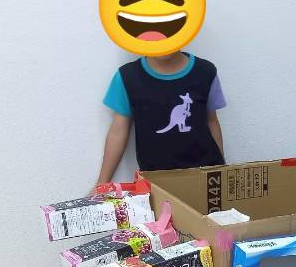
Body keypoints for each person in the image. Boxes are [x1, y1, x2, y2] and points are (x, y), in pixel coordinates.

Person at [94, 50, 226, 187]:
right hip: (156, 181)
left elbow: (212, 121)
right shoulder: (127, 76)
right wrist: (102, 183)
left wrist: (223, 171)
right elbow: (118, 132)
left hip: (205, 176)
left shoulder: (205, 72)